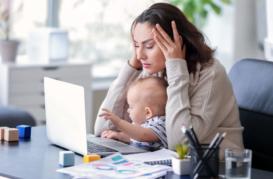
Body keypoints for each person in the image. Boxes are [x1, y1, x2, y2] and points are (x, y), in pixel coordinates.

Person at [94, 2, 244, 160]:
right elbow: (103, 128)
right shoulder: (155, 69)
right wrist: (132, 67)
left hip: (214, 168)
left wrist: (176, 69)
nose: (140, 55)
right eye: (136, 46)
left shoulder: (211, 74)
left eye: (149, 46)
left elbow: (179, 143)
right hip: (165, 163)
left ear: (176, 42)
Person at [99, 77, 168, 149]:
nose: (128, 110)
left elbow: (142, 136)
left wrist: (119, 123)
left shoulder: (161, 123)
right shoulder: (142, 125)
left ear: (147, 112)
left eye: (131, 107)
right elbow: (134, 137)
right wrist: (119, 135)